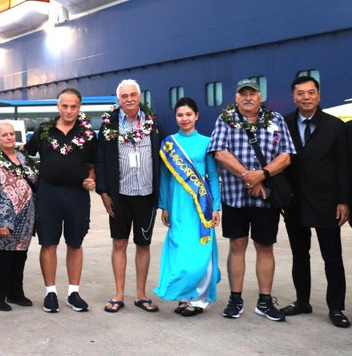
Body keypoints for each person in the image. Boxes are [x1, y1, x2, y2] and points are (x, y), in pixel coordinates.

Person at [207, 78, 295, 322]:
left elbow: (286, 155)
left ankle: (264, 301)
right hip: (234, 197)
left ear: (260, 97)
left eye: (252, 93)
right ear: (236, 98)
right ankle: (236, 299)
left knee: (265, 247)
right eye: (243, 93)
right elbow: (220, 153)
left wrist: (262, 175)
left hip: (266, 198)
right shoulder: (225, 119)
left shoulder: (276, 120)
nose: (247, 97)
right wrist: (249, 177)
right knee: (237, 245)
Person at [281, 76, 349, 327]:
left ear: (319, 96)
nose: (306, 97)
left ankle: (336, 308)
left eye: (311, 92)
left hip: (327, 202)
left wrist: (344, 201)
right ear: (293, 97)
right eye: (300, 93)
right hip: (294, 201)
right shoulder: (284, 124)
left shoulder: (334, 126)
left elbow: (343, 166)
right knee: (300, 255)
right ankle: (302, 301)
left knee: (332, 257)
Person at [25, 88, 97, 313]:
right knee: (49, 242)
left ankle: (73, 292)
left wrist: (91, 180)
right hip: (48, 193)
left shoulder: (87, 134)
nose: (68, 110)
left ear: (79, 107)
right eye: (64, 106)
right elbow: (25, 154)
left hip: (77, 194)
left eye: (73, 106)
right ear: (58, 107)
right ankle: (50, 293)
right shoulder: (44, 131)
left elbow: (93, 166)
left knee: (75, 242)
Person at [96, 79, 162, 313]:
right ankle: (119, 294)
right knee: (120, 243)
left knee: (143, 244)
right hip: (119, 195)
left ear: (140, 96)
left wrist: (161, 197)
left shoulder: (152, 122)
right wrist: (104, 192)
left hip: (146, 194)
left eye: (133, 94)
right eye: (124, 96)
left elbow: (161, 158)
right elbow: (101, 160)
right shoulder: (109, 125)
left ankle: (142, 295)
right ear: (118, 99)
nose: (129, 99)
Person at [154, 97, 221, 316]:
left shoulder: (206, 142)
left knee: (201, 252)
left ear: (197, 116)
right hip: (177, 205)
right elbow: (164, 177)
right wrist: (164, 206)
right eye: (180, 115)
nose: (184, 119)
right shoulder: (169, 143)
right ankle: (185, 296)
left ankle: (199, 300)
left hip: (200, 206)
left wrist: (216, 206)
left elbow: (212, 177)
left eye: (188, 114)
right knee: (180, 251)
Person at [0, 121, 38, 311]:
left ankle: (15, 293)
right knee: (0, 257)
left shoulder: (22, 157)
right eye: (4, 135)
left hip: (26, 216)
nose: (9, 137)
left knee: (19, 256)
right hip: (4, 217)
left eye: (12, 134)